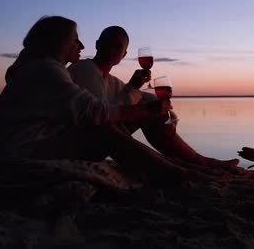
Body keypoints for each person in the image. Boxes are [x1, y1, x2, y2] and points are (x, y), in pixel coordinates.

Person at [0, 16, 199, 183]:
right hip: (19, 152)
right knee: (104, 129)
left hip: (20, 146)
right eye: (76, 40)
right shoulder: (48, 70)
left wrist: (165, 114)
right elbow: (97, 112)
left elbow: (136, 100)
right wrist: (146, 111)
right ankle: (174, 171)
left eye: (119, 48)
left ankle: (180, 166)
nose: (81, 46)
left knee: (113, 123)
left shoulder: (42, 68)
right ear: (61, 42)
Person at [68, 26, 239, 168]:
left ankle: (188, 161)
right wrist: (133, 87)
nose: (113, 50)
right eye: (109, 44)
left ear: (124, 54)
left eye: (118, 47)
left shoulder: (110, 80)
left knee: (152, 111)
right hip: (79, 145)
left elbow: (146, 100)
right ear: (98, 45)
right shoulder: (85, 69)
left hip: (99, 141)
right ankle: (197, 162)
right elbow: (101, 116)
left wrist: (171, 116)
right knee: (148, 114)